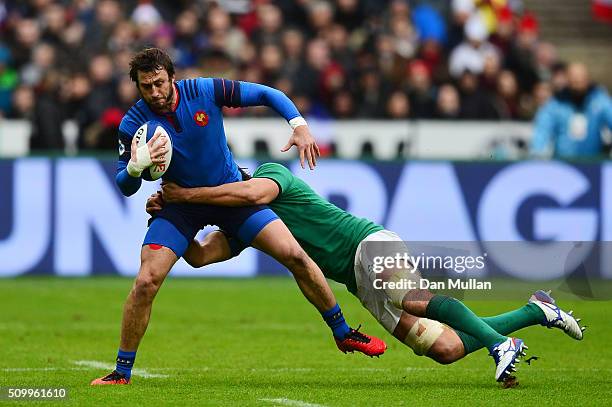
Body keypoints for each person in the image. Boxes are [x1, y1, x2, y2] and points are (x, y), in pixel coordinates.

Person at [91, 48, 386, 385]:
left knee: (294, 255)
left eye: (160, 82)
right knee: (145, 281)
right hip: (179, 205)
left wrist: (299, 125)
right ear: (138, 87)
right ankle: (121, 372)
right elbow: (125, 186)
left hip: (231, 196)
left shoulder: (204, 91)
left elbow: (265, 93)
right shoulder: (133, 124)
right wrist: (134, 166)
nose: (155, 92)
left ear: (173, 76)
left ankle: (343, 332)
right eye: (147, 87)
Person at [150, 163, 586, 383]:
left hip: (367, 242)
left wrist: (187, 193)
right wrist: (174, 218)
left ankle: (500, 345)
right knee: (445, 349)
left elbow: (251, 192)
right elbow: (201, 257)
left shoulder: (269, 174)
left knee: (410, 298)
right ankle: (536, 311)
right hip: (357, 282)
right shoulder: (248, 229)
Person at [531, 62, 612, 158]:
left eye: (581, 79)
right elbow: (542, 131)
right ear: (567, 80)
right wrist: (537, 154)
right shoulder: (556, 104)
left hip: (594, 163)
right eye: (574, 80)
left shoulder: (600, 101)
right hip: (564, 165)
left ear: (588, 80)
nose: (577, 83)